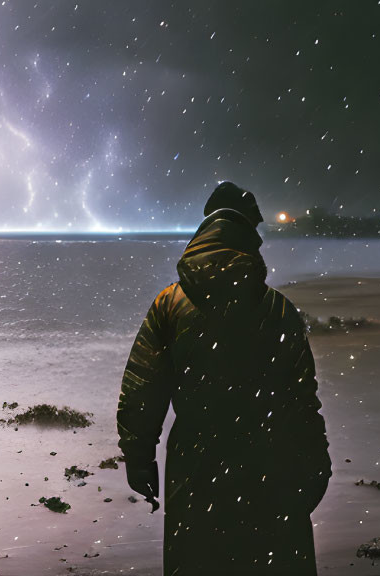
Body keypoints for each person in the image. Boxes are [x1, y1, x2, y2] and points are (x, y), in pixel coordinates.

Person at [117, 181, 331, 575]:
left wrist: (139, 458)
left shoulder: (170, 305)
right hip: (269, 466)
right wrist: (316, 467)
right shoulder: (278, 310)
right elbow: (302, 401)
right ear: (250, 238)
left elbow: (142, 389)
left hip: (196, 468)